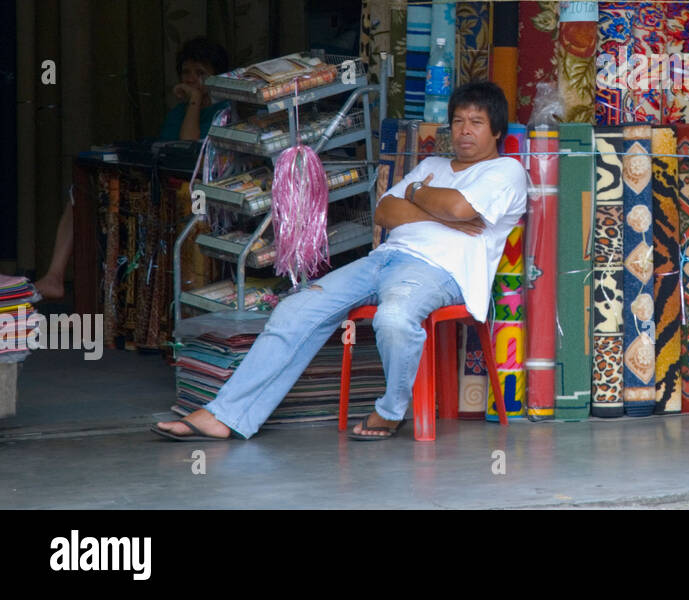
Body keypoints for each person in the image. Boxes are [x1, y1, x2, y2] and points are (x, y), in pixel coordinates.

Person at [152, 81, 528, 441]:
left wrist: (423, 199)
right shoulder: (431, 167)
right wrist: (428, 199)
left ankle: (391, 411)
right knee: (295, 309)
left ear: (496, 130)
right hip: (382, 260)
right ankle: (225, 416)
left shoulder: (505, 171)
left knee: (394, 319)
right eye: (459, 120)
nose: (465, 130)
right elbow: (385, 212)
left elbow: (461, 207)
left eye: (477, 122)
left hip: (438, 271)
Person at [32, 38, 233, 302]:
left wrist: (195, 101)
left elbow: (188, 152)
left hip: (194, 193)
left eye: (201, 73)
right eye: (186, 72)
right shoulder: (178, 112)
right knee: (81, 192)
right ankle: (56, 277)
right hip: (161, 186)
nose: (191, 79)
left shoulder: (224, 112)